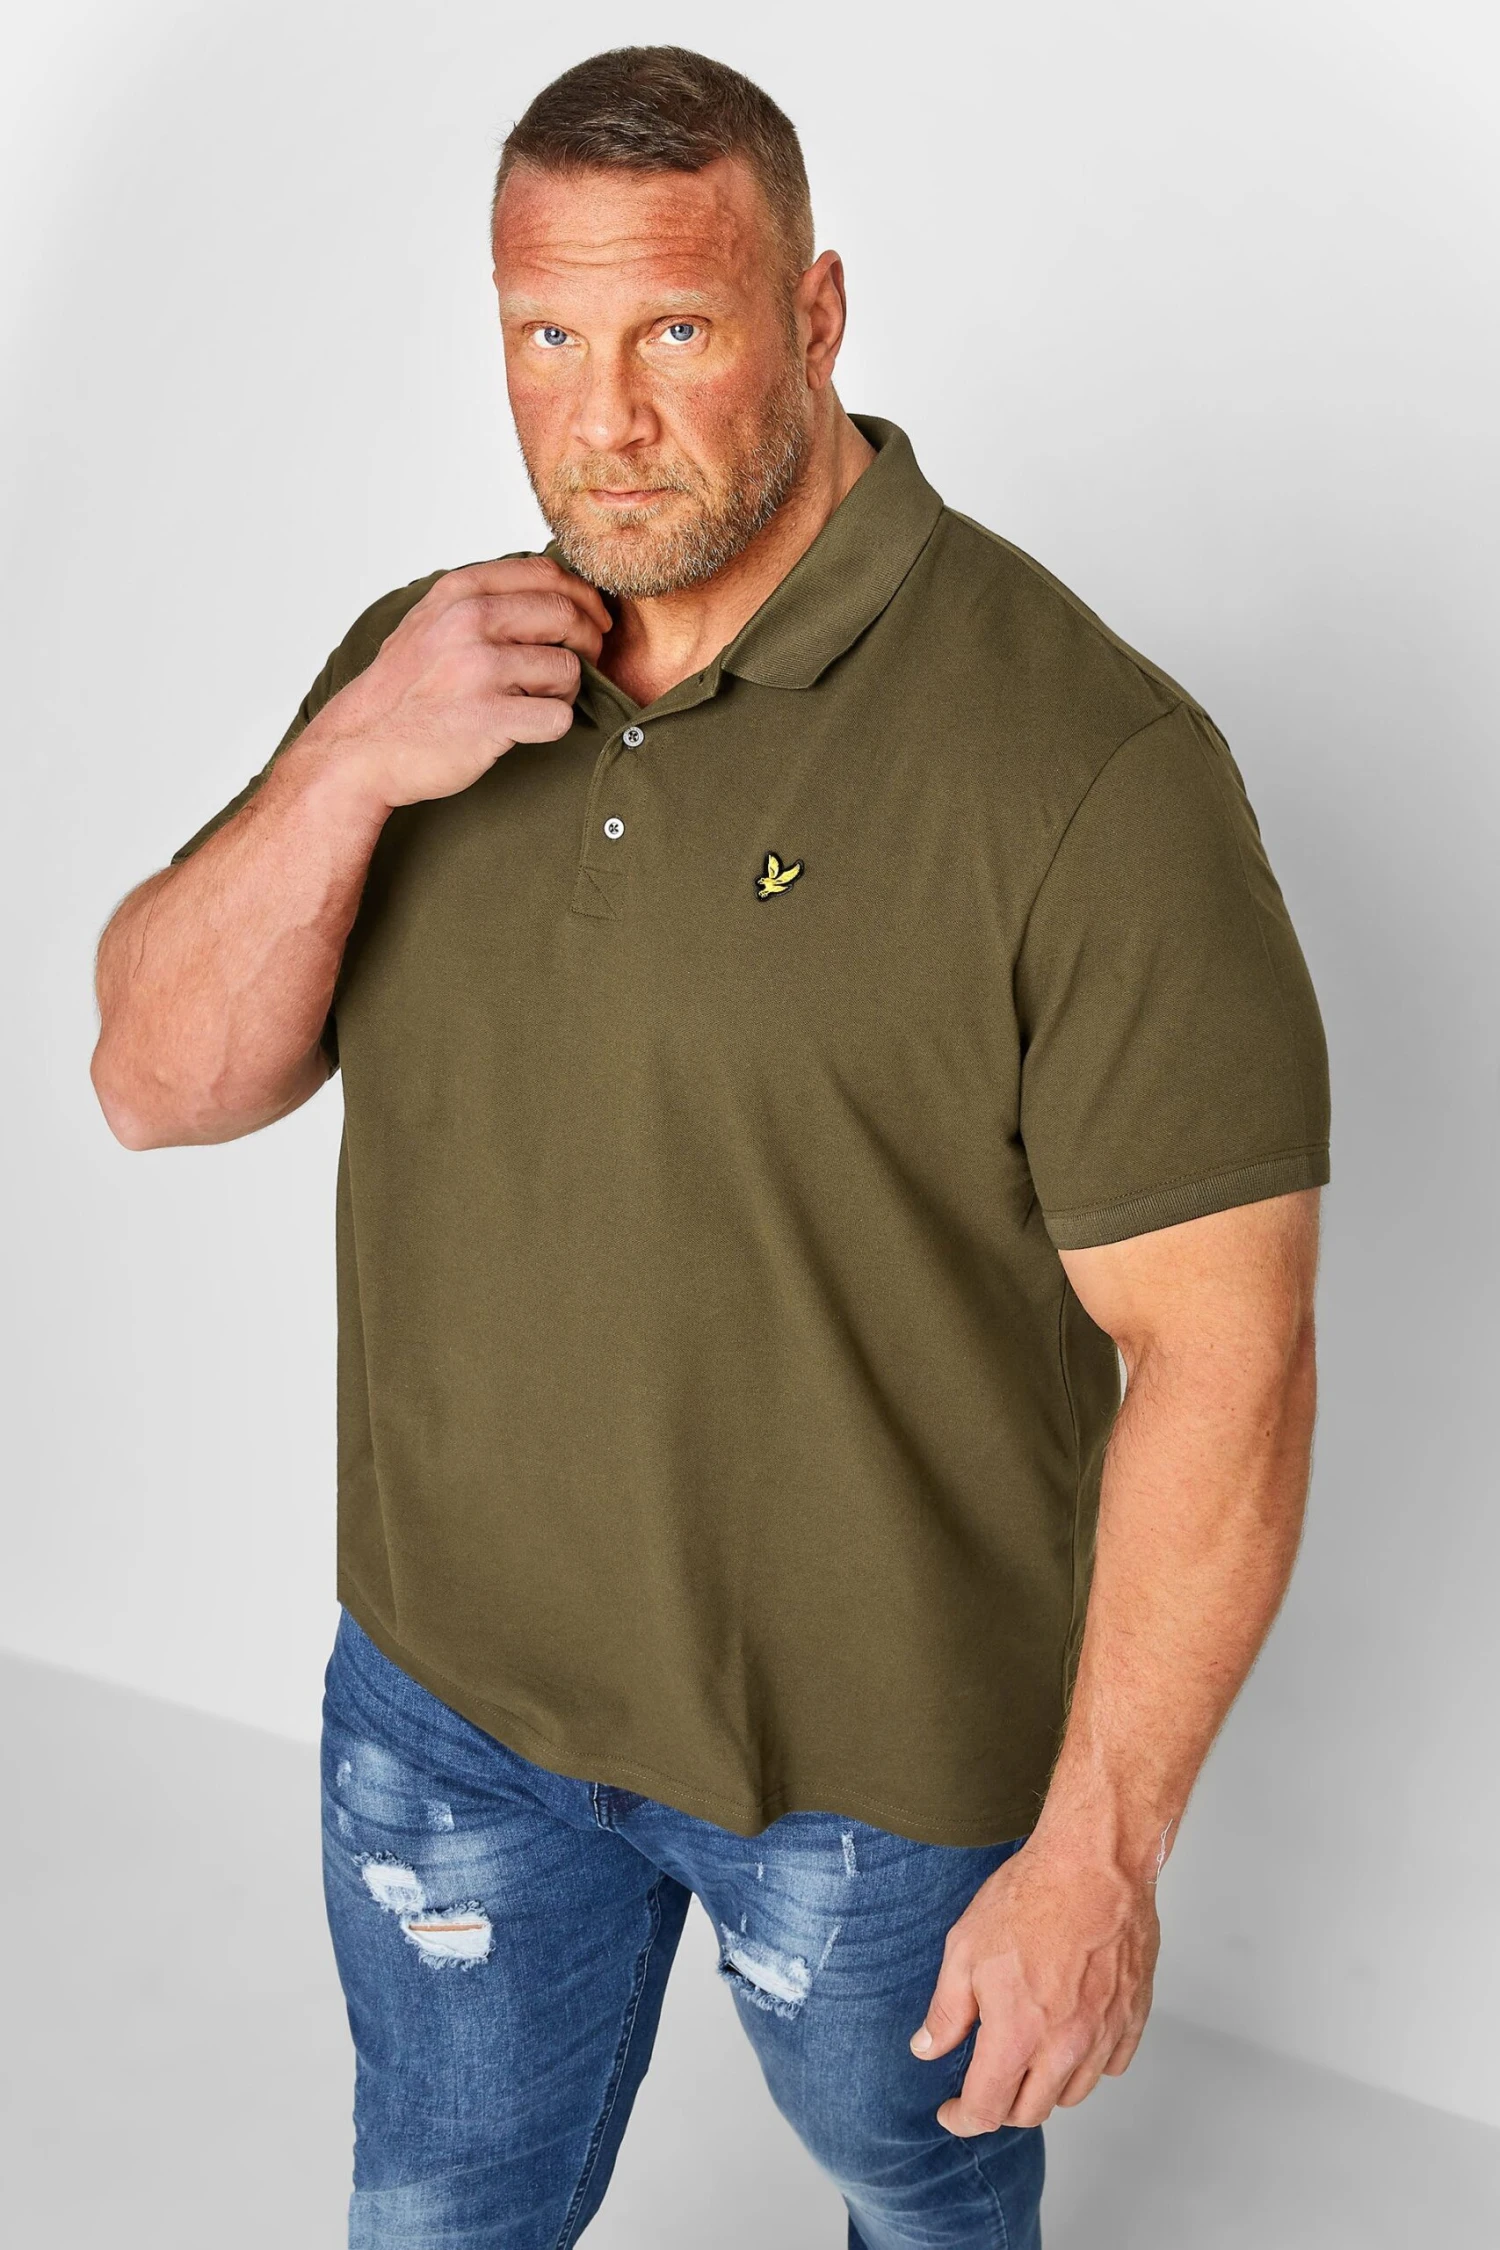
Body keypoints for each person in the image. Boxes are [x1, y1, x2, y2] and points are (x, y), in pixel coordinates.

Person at [89, 43, 1330, 2250]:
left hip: (871, 1784)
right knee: (437, 2208)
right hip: (445, 1713)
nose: (604, 417)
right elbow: (150, 1081)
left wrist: (1098, 1853)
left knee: (924, 2194)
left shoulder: (1090, 767)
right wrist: (349, 762)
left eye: (675, 327)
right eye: (543, 338)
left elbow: (1225, 1354)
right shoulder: (429, 673)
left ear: (817, 314)